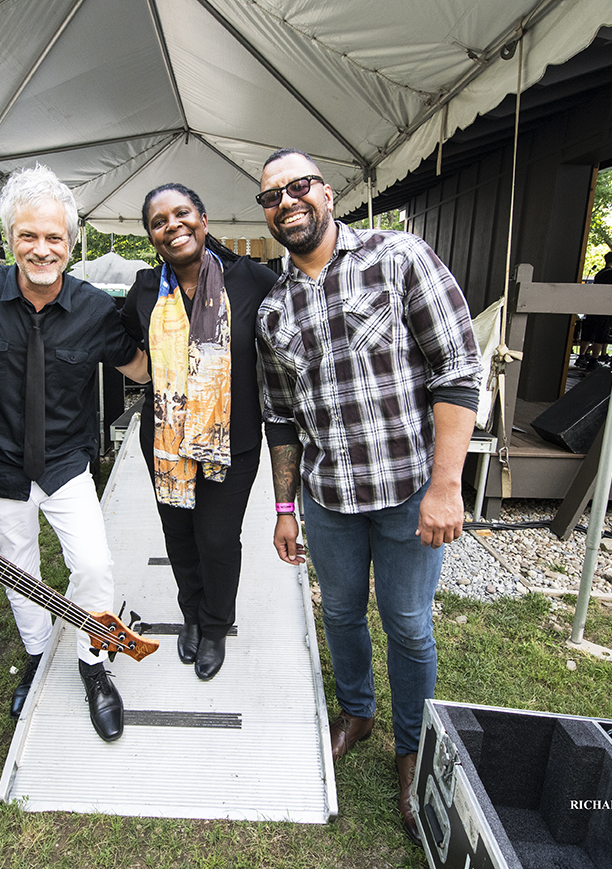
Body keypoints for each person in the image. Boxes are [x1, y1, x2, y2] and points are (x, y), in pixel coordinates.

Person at [255, 148, 482, 844]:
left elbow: (458, 368)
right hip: (327, 500)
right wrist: (286, 508)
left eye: (298, 186)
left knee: (408, 624)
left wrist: (447, 486)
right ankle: (356, 713)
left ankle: (412, 749)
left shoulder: (399, 256)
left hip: (409, 491)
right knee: (343, 614)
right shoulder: (273, 309)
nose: (286, 201)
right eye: (271, 196)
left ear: (326, 191)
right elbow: (281, 418)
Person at [0, 165, 148, 742]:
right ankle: (40, 655)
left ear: (71, 242)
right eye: (28, 236)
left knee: (92, 565)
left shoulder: (94, 308)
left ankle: (94, 663)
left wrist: (165, 314)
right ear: (9, 237)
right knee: (19, 571)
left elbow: (141, 368)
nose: (42, 250)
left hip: (66, 462)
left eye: (54, 238)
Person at [120, 184, 279, 680]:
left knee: (216, 538)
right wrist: (144, 371)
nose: (173, 225)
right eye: (159, 221)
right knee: (179, 535)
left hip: (234, 441)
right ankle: (190, 610)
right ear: (151, 235)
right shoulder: (146, 289)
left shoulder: (253, 279)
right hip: (166, 442)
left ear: (204, 219)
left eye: (182, 213)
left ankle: (215, 626)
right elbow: (118, 337)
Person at [581, 251, 612, 368]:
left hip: (594, 308)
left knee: (589, 333)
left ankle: (582, 355)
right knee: (601, 335)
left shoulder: (600, 274)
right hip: (607, 310)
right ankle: (594, 359)